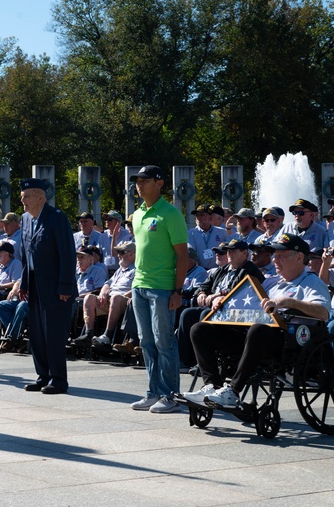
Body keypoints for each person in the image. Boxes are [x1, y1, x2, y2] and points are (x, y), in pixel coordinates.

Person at [185, 234, 330, 408]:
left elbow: (323, 313)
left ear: (299, 257)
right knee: (200, 329)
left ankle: (233, 391)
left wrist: (288, 302)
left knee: (258, 330)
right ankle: (212, 386)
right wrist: (219, 300)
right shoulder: (270, 281)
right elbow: (242, 297)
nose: (275, 260)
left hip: (286, 341)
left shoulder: (311, 281)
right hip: (252, 337)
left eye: (281, 256)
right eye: (274, 255)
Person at [129, 165, 189, 414]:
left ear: (160, 183)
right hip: (139, 286)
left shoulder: (171, 214)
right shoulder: (138, 213)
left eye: (145, 181)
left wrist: (178, 291)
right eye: (137, 181)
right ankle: (153, 392)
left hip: (163, 288)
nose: (139, 185)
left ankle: (170, 394)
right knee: (146, 341)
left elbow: (183, 256)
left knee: (164, 342)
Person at [16, 177, 76, 395]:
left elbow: (67, 255)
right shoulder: (25, 219)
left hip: (56, 287)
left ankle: (58, 380)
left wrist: (65, 287)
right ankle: (43, 376)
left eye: (26, 197)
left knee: (54, 335)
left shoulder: (57, 218)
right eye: (22, 198)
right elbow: (26, 255)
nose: (23, 202)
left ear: (40, 196)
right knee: (38, 335)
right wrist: (23, 282)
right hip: (34, 286)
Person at [176, 238, 265, 371]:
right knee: (187, 314)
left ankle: (205, 363)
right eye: (228, 251)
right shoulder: (222, 270)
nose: (229, 254)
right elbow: (204, 285)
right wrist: (201, 293)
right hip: (212, 306)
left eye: (234, 251)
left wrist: (218, 296)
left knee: (206, 314)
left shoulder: (251, 270)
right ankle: (184, 359)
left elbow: (242, 292)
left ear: (245, 254)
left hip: (233, 313)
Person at [84, 241, 136, 348]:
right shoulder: (120, 270)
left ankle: (107, 336)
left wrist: (122, 296)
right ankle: (89, 334)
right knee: (89, 298)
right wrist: (103, 292)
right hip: (110, 300)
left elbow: (137, 288)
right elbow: (108, 283)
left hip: (124, 301)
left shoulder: (137, 270)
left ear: (131, 254)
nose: (118, 255)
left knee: (116, 298)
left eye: (121, 252)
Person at [187, 204, 228, 270]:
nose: (198, 218)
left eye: (202, 215)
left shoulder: (222, 232)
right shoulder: (191, 233)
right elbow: (192, 254)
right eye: (197, 215)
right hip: (200, 271)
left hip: (218, 270)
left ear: (210, 217)